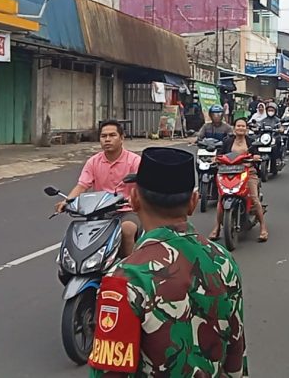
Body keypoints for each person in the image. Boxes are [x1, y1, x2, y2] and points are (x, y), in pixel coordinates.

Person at [87, 147, 246, 377]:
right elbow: (235, 357)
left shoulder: (123, 280)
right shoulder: (223, 261)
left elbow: (109, 372)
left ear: (134, 200)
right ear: (193, 201)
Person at [57, 120, 140, 258]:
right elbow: (82, 185)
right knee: (79, 234)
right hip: (99, 212)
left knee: (127, 229)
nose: (107, 139)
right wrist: (67, 201)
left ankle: (127, 268)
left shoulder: (135, 161)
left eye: (112, 135)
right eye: (103, 136)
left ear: (122, 138)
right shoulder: (93, 162)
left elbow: (144, 187)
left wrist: (134, 199)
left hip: (127, 211)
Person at [208, 117, 269, 242]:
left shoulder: (251, 142)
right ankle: (217, 227)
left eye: (243, 126)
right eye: (238, 126)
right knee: (221, 198)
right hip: (228, 173)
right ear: (234, 128)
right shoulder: (227, 141)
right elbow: (219, 154)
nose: (240, 128)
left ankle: (263, 228)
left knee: (254, 199)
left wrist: (256, 157)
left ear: (246, 129)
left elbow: (256, 154)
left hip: (248, 172)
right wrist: (215, 159)